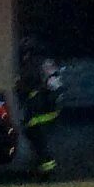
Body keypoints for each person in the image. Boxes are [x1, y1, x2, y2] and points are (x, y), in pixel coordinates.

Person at [16, 40, 63, 177]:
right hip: (48, 108)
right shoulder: (46, 63)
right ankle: (43, 165)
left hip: (42, 108)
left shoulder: (34, 64)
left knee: (35, 134)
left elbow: (27, 84)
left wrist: (20, 86)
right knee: (35, 135)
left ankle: (45, 168)